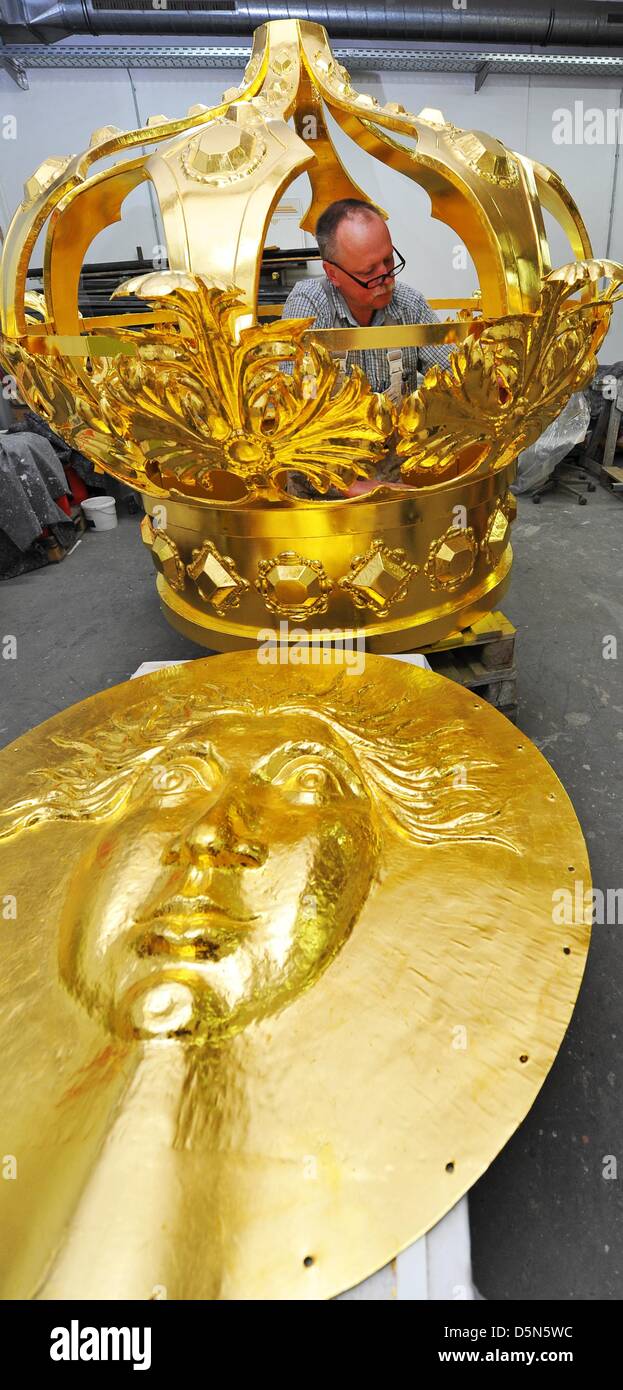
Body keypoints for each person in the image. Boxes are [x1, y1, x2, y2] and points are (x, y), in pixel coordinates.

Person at [281, 198, 454, 496]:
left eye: (388, 261)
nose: (385, 280)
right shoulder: (308, 309)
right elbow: (291, 415)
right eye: (368, 273)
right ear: (332, 273)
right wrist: (350, 486)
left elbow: (454, 370)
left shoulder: (408, 305)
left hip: (390, 481)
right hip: (319, 491)